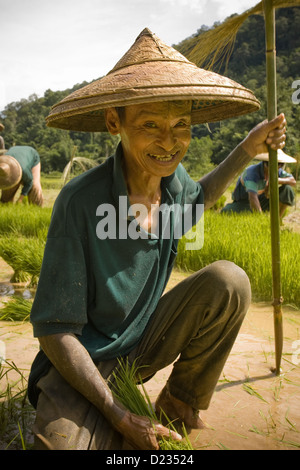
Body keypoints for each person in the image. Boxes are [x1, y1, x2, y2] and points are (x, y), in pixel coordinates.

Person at [28, 28, 287, 451]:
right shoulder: (79, 202)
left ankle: (178, 405)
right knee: (59, 447)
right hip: (82, 361)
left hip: (141, 343)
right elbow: (56, 331)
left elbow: (197, 198)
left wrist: (247, 148)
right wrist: (117, 412)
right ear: (116, 122)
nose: (169, 143)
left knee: (230, 281)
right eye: (150, 124)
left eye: (180, 125)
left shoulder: (172, 181)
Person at [221, 149, 296, 217]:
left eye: (280, 165)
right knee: (227, 212)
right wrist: (260, 218)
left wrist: (276, 180)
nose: (278, 167)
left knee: (287, 189)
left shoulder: (278, 171)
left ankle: (277, 219)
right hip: (245, 202)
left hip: (262, 200)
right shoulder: (252, 172)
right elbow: (252, 197)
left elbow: (293, 181)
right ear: (265, 164)